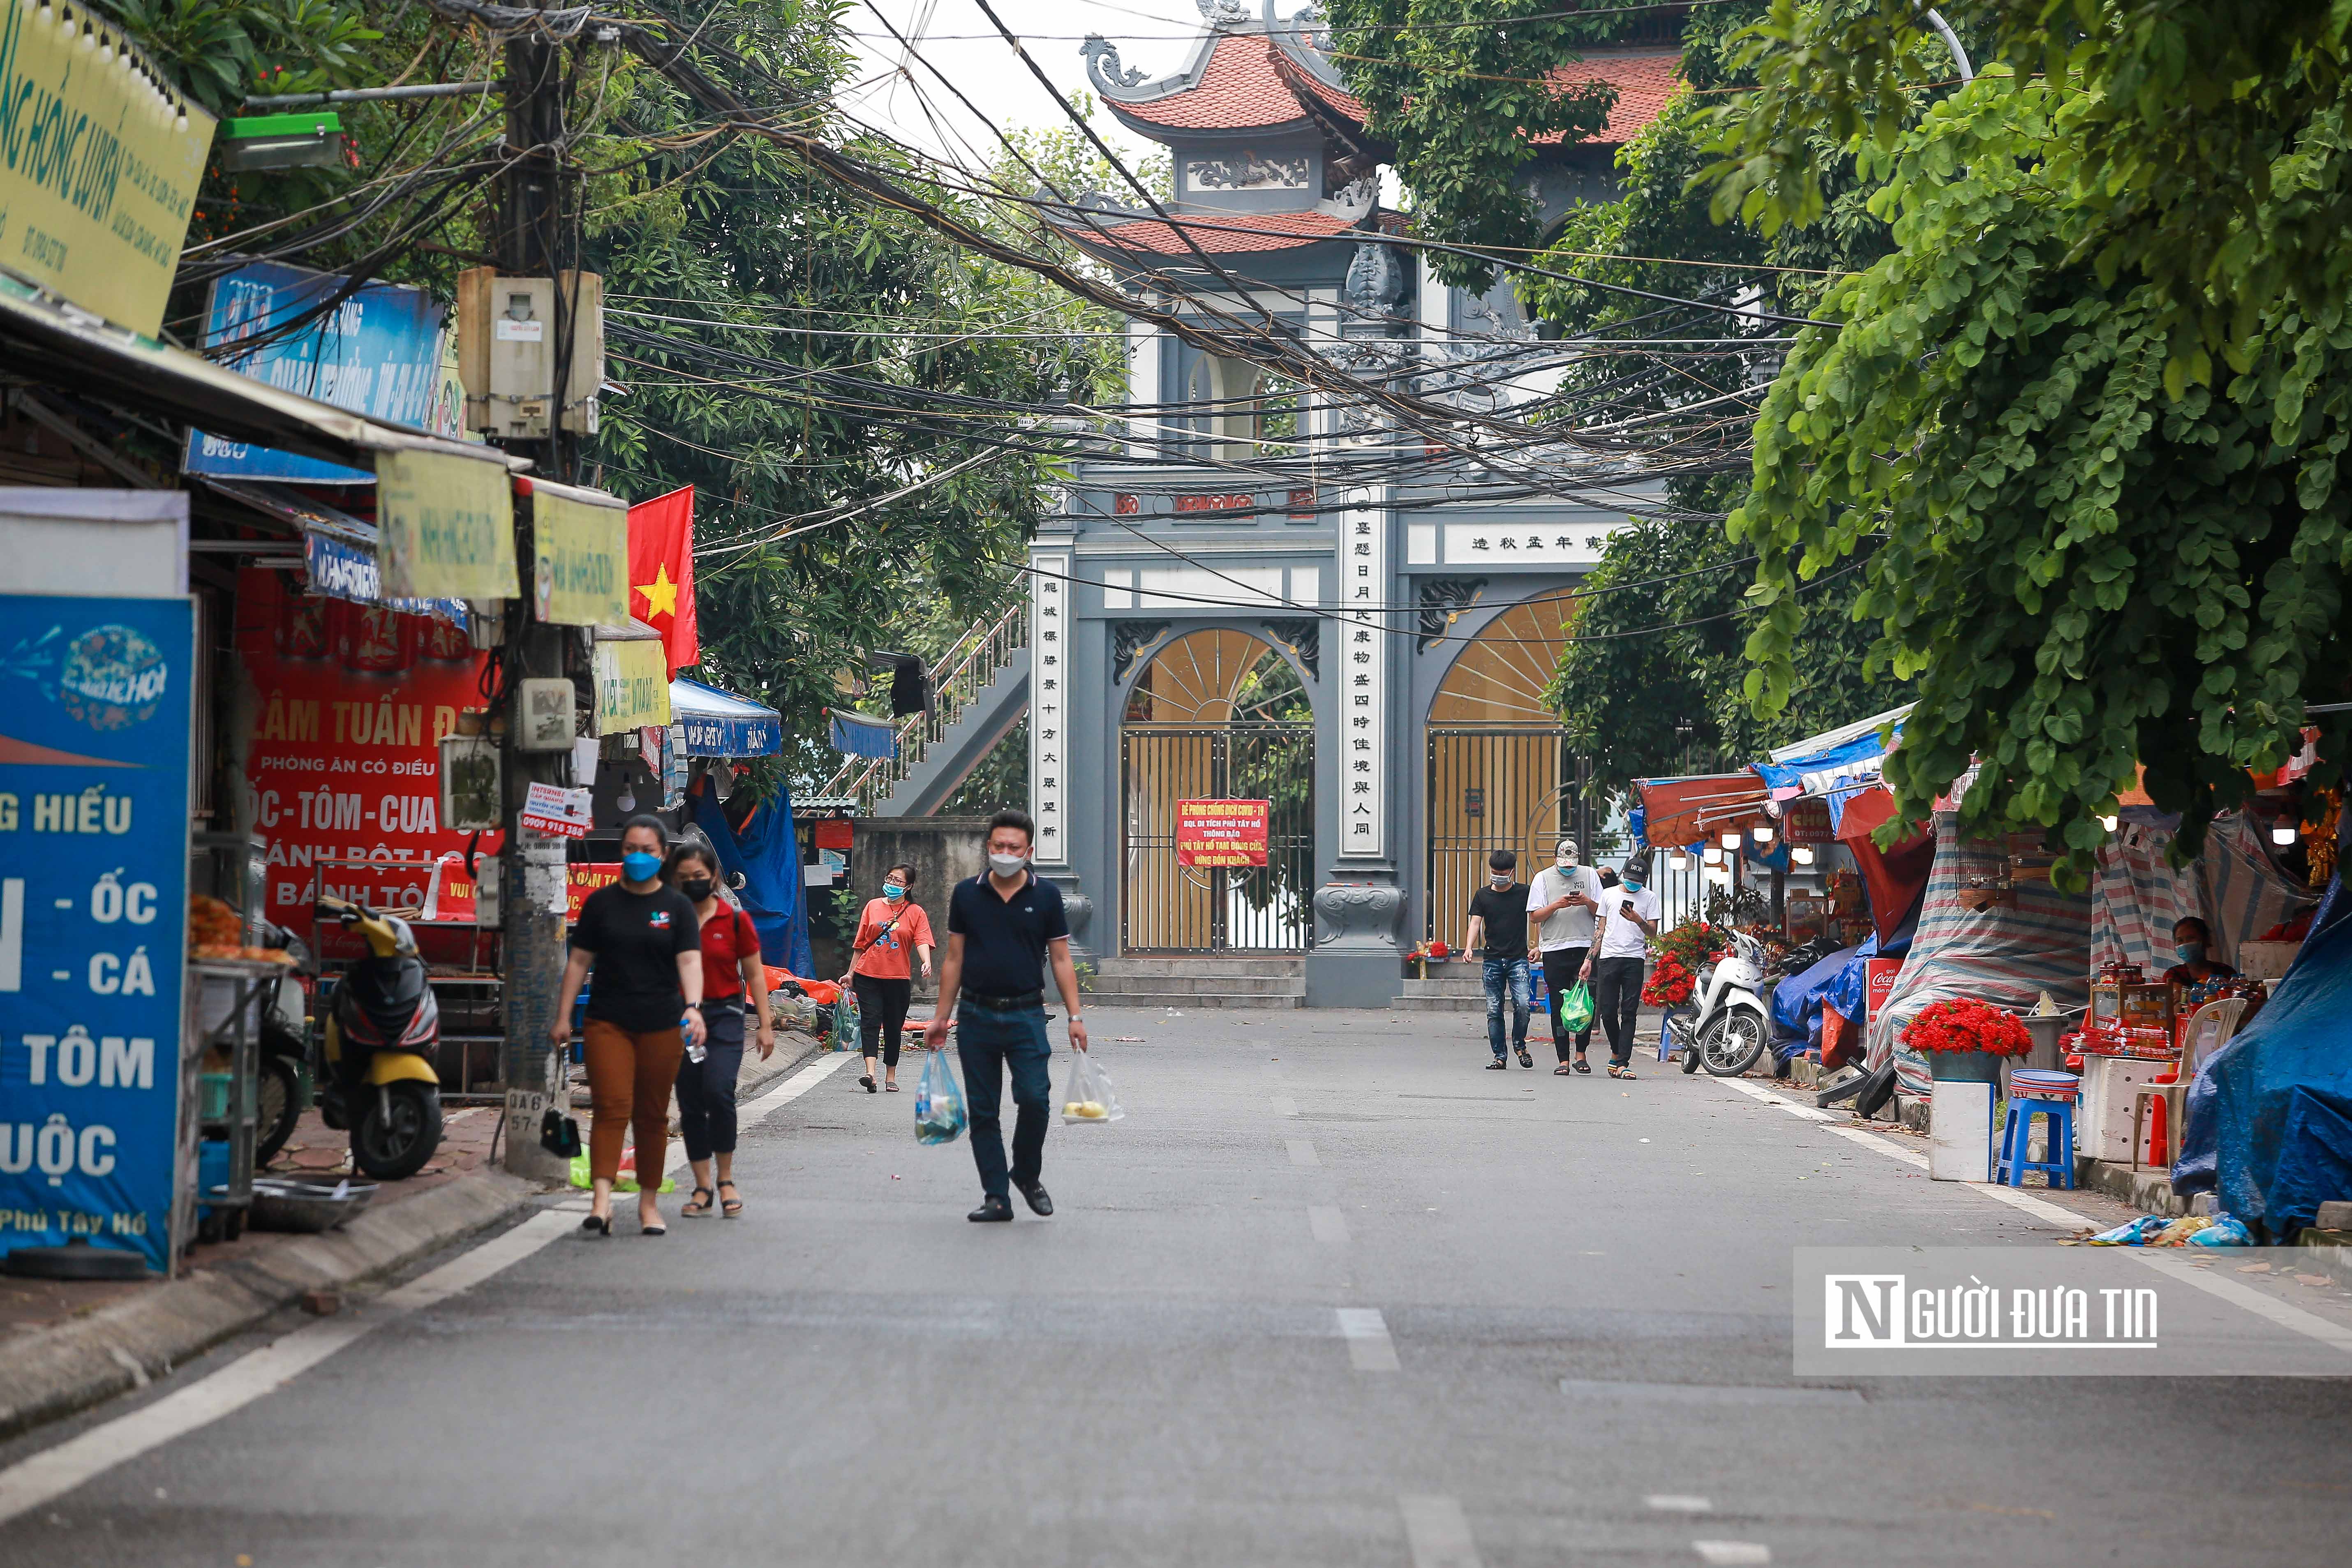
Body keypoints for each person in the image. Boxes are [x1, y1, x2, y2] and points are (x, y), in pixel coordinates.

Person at [923, 809, 1089, 1222]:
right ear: (988, 847)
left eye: (1013, 847)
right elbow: (954, 958)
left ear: (1028, 850)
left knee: (1035, 1099)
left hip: (1026, 1014)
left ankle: (1026, 1172)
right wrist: (940, 1017)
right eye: (998, 845)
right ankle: (996, 1195)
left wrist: (1075, 1015)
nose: (1004, 853)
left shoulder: (1046, 896)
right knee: (983, 1110)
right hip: (976, 1015)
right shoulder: (966, 894)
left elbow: (1062, 957)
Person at [552, 816, 707, 1236]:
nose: (638, 857)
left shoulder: (677, 907)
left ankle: (648, 1204)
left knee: (652, 1115)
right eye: (630, 849)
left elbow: (690, 961)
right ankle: (601, 1202)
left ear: (662, 856)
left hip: (661, 1022)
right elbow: (579, 962)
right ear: (622, 852)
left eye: (647, 851)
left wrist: (693, 1007)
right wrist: (564, 1016)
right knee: (610, 1107)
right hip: (607, 1021)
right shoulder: (600, 903)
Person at [667, 841, 774, 1220]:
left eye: (699, 876)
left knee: (718, 1090)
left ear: (713, 876)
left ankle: (726, 1178)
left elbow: (756, 973)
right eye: (684, 879)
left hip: (725, 1015)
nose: (693, 883)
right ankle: (701, 1185)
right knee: (691, 1099)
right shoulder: (670, 920)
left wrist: (765, 1023)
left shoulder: (734, 920)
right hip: (679, 1021)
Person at [841, 863, 935, 1094]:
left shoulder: (916, 912)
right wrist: (851, 973)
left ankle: (890, 1076)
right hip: (868, 975)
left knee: (894, 1026)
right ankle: (870, 1073)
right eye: (889, 879)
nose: (891, 884)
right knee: (870, 1021)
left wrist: (926, 961)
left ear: (909, 886)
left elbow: (922, 939)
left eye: (898, 881)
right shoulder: (872, 906)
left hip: (898, 978)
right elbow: (861, 943)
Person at [1527, 837, 1604, 1074]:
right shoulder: (1542, 878)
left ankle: (1581, 1055)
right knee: (1559, 1006)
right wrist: (1557, 905)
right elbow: (1535, 916)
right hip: (1554, 949)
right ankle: (1563, 1060)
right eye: (1564, 865)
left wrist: (1586, 901)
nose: (1568, 869)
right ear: (1555, 860)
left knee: (1585, 1006)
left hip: (1585, 947)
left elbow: (1603, 913)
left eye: (1572, 866)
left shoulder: (1590, 875)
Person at [1581, 852, 1660, 1079]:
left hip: (1634, 959)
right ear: (1623, 875)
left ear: (1643, 882)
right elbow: (1600, 930)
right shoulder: (1608, 895)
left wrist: (1638, 920)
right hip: (1608, 958)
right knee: (1607, 1012)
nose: (1632, 885)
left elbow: (1653, 933)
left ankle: (1623, 1062)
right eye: (1629, 880)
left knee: (1629, 1012)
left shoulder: (1650, 898)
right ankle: (1617, 1052)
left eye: (1637, 883)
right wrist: (1589, 960)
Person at [1465, 848, 1534, 1070]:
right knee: (1494, 1009)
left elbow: (1537, 918)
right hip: (1492, 959)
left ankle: (1519, 1044)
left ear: (1512, 872)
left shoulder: (1525, 892)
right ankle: (1499, 1055)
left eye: (1502, 873)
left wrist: (1538, 947)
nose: (1498, 876)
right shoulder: (1483, 895)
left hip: (1518, 959)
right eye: (1495, 872)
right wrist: (1468, 948)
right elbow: (1475, 923)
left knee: (1523, 1005)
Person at [2162, 916, 2239, 1010]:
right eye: (2180, 940)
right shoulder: (2175, 974)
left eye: (2191, 938)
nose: (2185, 944)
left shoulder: (2225, 972)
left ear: (2206, 940)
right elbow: (2176, 1004)